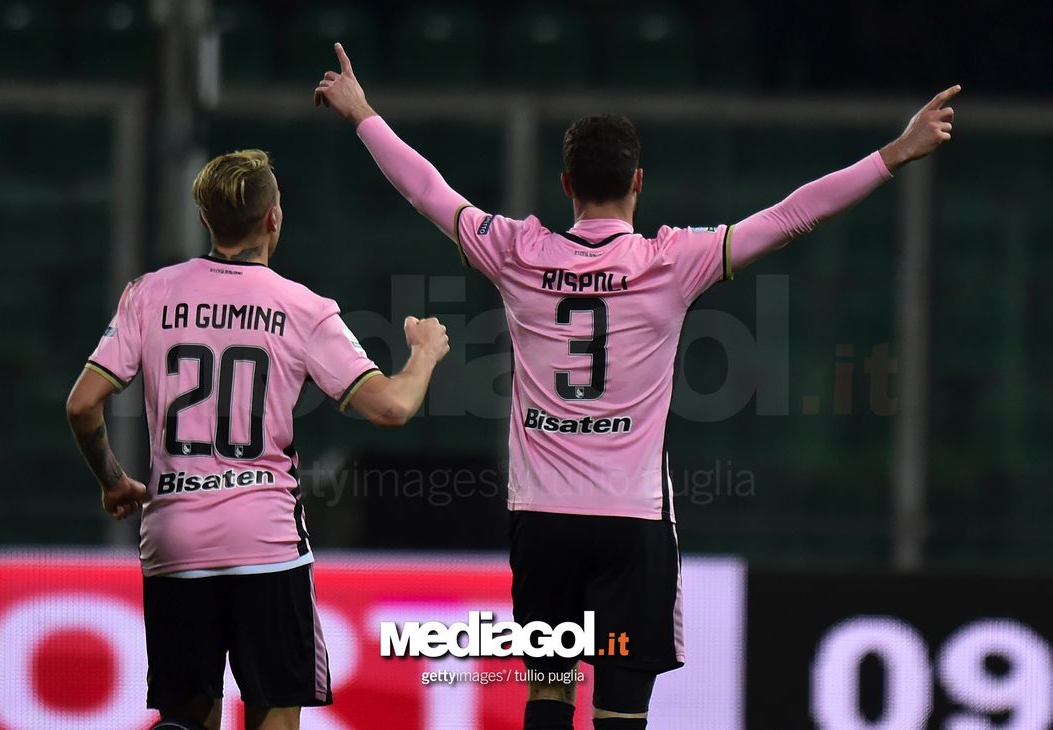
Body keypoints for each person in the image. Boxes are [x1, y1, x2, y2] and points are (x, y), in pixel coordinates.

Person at [315, 43, 957, 730]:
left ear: (565, 183)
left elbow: (427, 190)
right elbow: (793, 214)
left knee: (549, 697)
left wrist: (364, 114)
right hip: (632, 523)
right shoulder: (673, 262)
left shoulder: (515, 252)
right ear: (638, 182)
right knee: (622, 712)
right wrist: (892, 154)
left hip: (543, 520)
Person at [65, 148, 450, 730]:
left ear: (205, 220)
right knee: (274, 710)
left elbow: (82, 404)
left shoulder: (149, 293)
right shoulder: (303, 308)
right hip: (265, 543)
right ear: (274, 217)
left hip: (176, 540)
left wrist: (113, 480)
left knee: (186, 717)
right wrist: (423, 355)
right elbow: (391, 408)